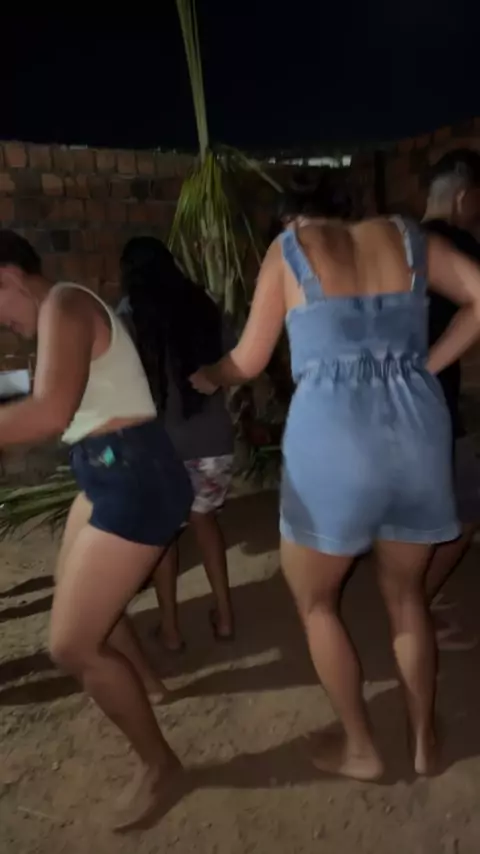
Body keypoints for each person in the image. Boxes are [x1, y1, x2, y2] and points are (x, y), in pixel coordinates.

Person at [190, 179, 480, 781]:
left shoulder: (289, 250)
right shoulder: (408, 237)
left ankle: (362, 749)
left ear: (296, 220)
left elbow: (248, 359)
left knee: (316, 601)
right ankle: (424, 742)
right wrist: (424, 366)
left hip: (333, 438)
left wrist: (212, 375)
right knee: (406, 597)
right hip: (416, 431)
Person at [0, 230, 193, 830]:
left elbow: (49, 412)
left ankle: (161, 767)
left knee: (71, 645)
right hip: (109, 467)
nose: (3, 324)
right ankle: (149, 686)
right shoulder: (61, 310)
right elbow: (56, 398)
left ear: (7, 277)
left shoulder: (65, 303)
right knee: (83, 603)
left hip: (133, 474)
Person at [117, 237, 235, 653]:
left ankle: (170, 630)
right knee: (206, 522)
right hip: (212, 439)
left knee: (163, 537)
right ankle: (225, 616)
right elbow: (234, 361)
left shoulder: (128, 314)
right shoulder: (204, 304)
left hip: (158, 444)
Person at [422, 150, 480, 646]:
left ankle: (408, 601)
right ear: (464, 197)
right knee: (468, 507)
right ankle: (414, 608)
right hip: (434, 402)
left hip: (390, 404)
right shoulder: (458, 246)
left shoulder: (398, 241)